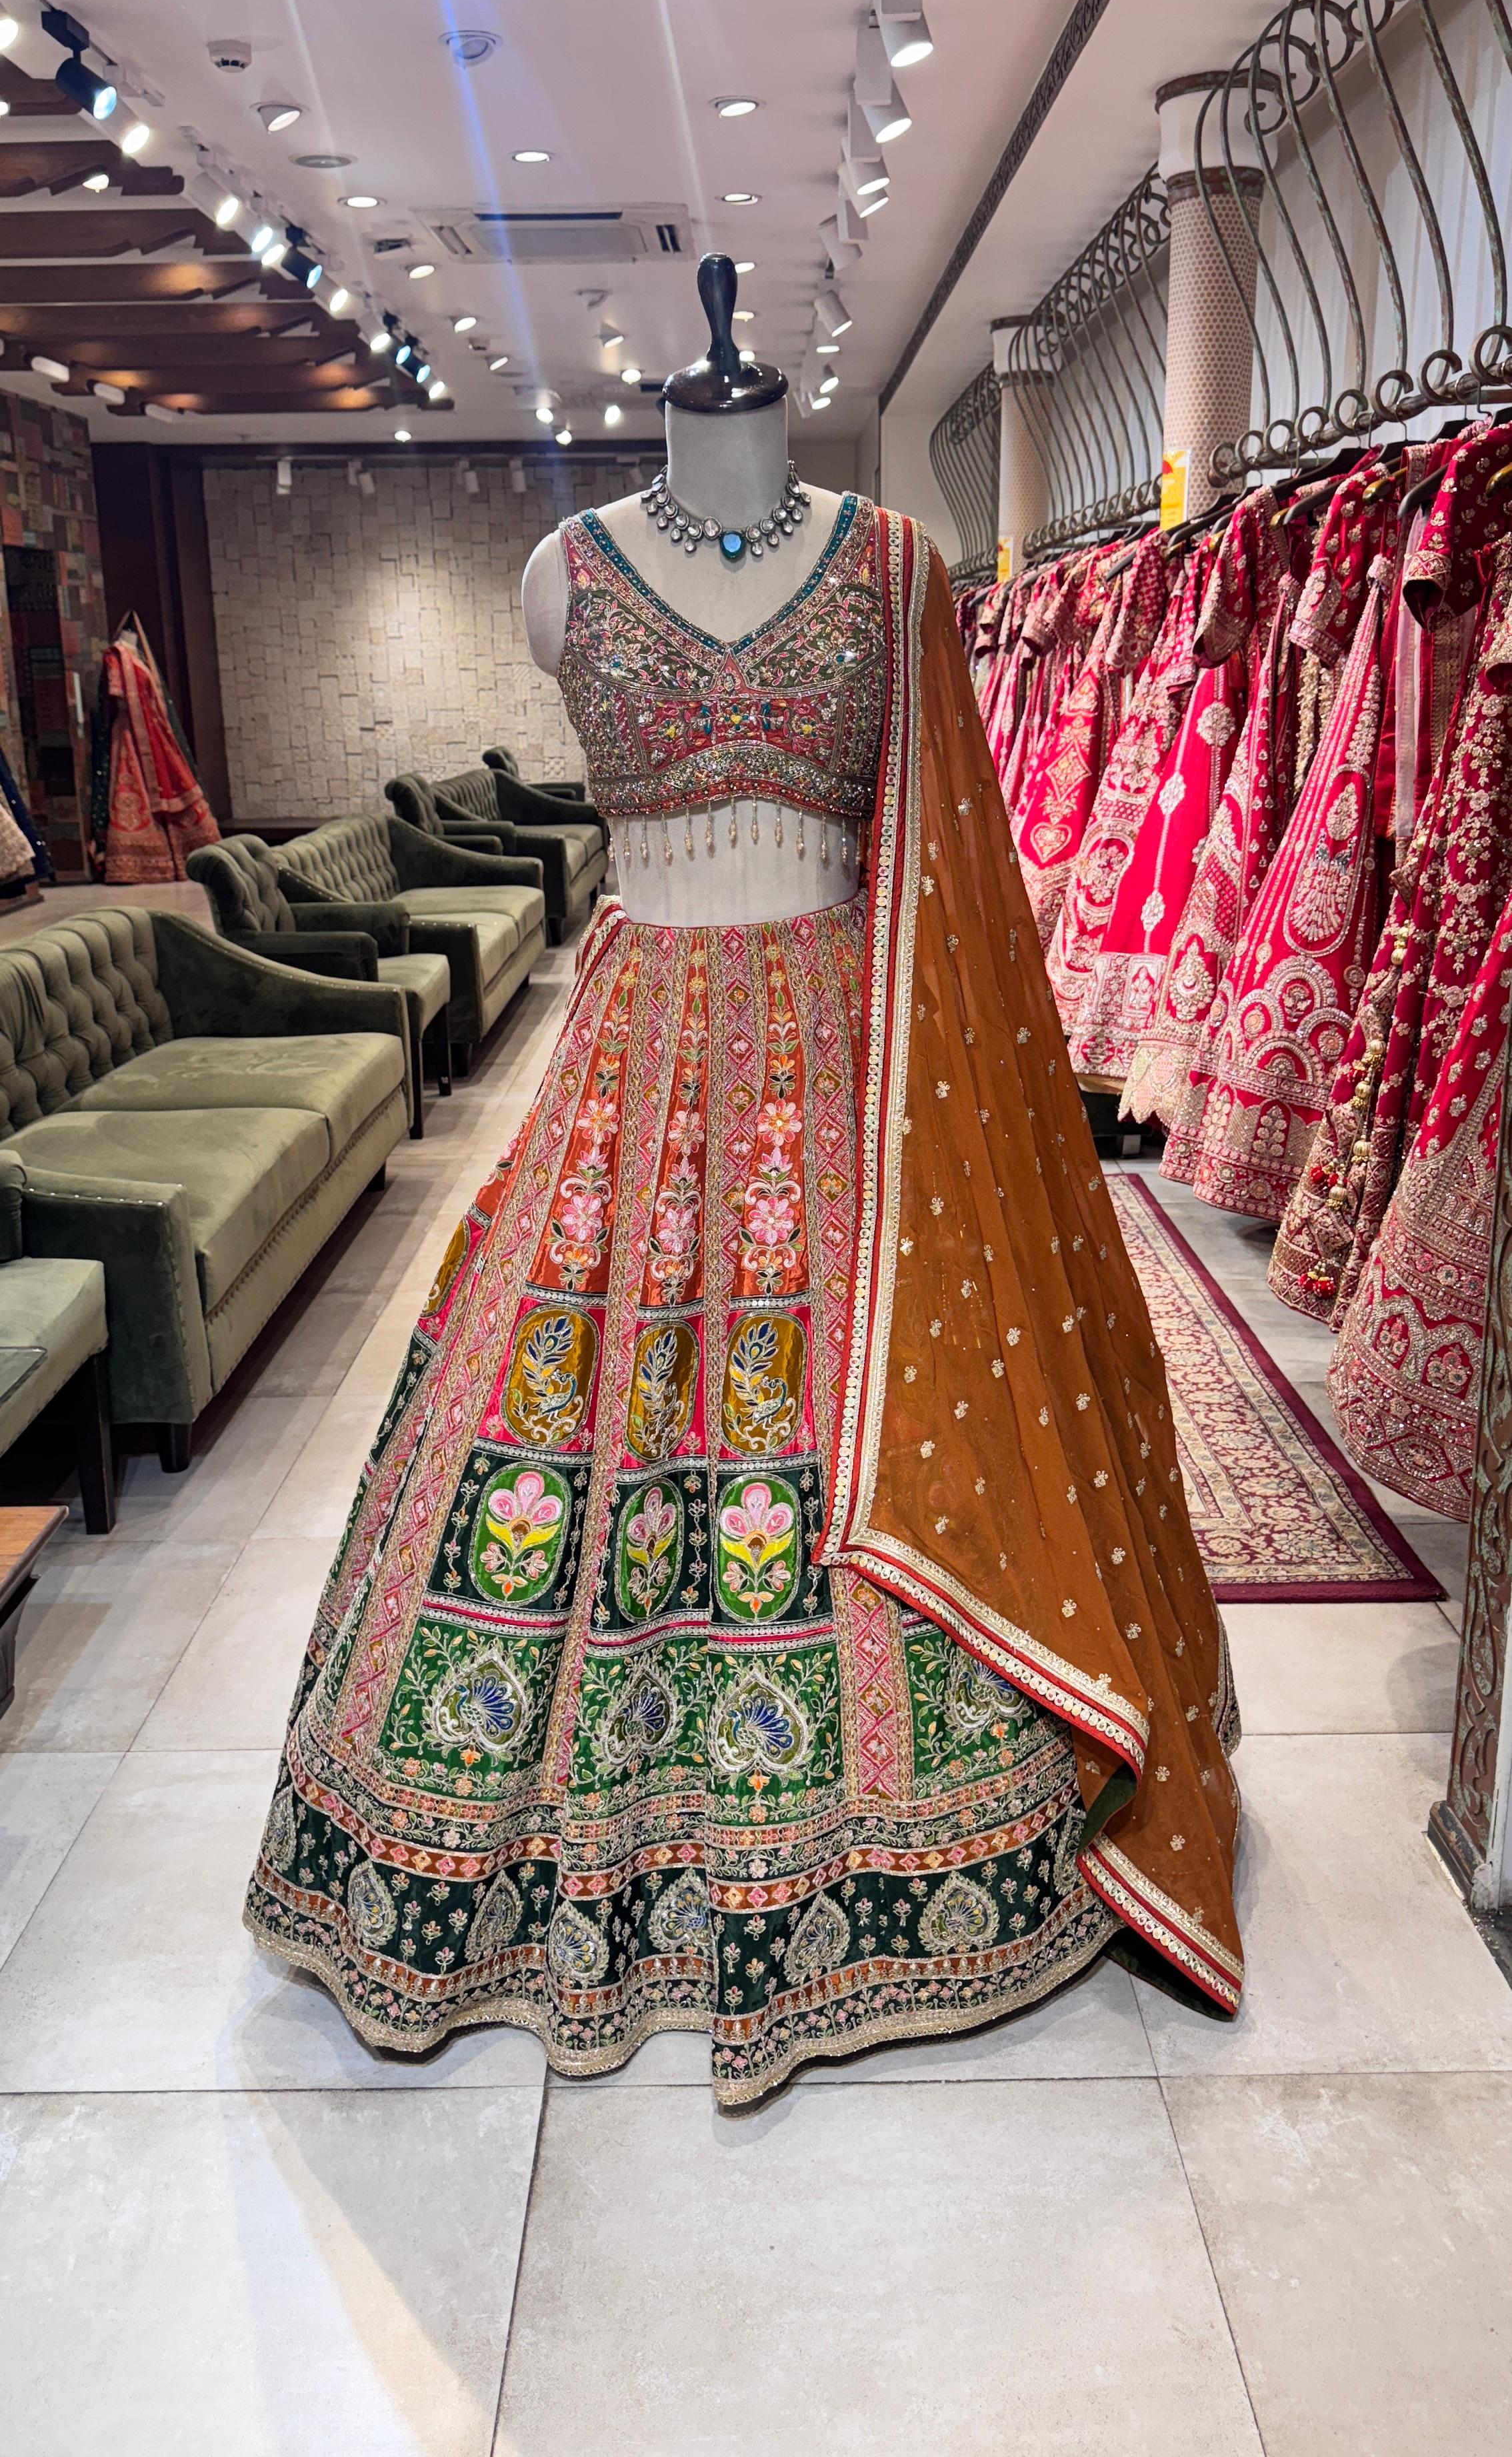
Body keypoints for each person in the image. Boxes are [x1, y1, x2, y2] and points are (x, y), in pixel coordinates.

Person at [246, 259, 1243, 2105]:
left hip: (851, 1069)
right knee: (573, 1401)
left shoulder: (891, 566)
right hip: (629, 1072)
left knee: (865, 1402)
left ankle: (919, 1835)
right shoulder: (565, 569)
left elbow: (942, 851)